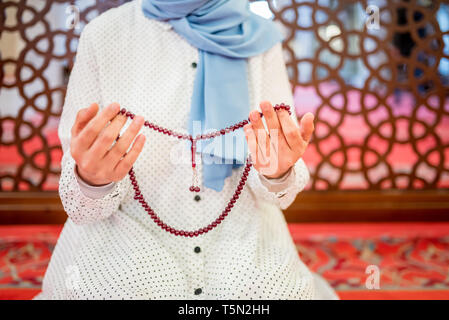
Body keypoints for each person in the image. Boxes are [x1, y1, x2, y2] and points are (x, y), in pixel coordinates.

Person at [35, 0, 337, 299]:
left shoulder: (261, 37)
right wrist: (92, 179)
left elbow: (276, 190)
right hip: (125, 229)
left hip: (240, 229)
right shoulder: (103, 34)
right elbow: (79, 204)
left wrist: (277, 172)